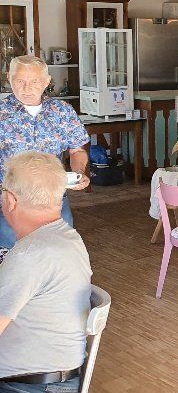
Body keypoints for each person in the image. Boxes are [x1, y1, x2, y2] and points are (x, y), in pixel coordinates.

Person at [0, 151, 93, 392]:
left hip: (28, 385)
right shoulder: (68, 236)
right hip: (49, 377)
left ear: (10, 200)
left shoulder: (29, 255)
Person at [0, 56, 89, 255]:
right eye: (20, 81)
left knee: (58, 254)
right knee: (11, 258)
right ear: (9, 78)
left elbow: (77, 150)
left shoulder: (62, 111)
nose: (27, 88)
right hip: (12, 201)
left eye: (35, 81)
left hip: (53, 199)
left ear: (47, 81)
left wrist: (79, 172)